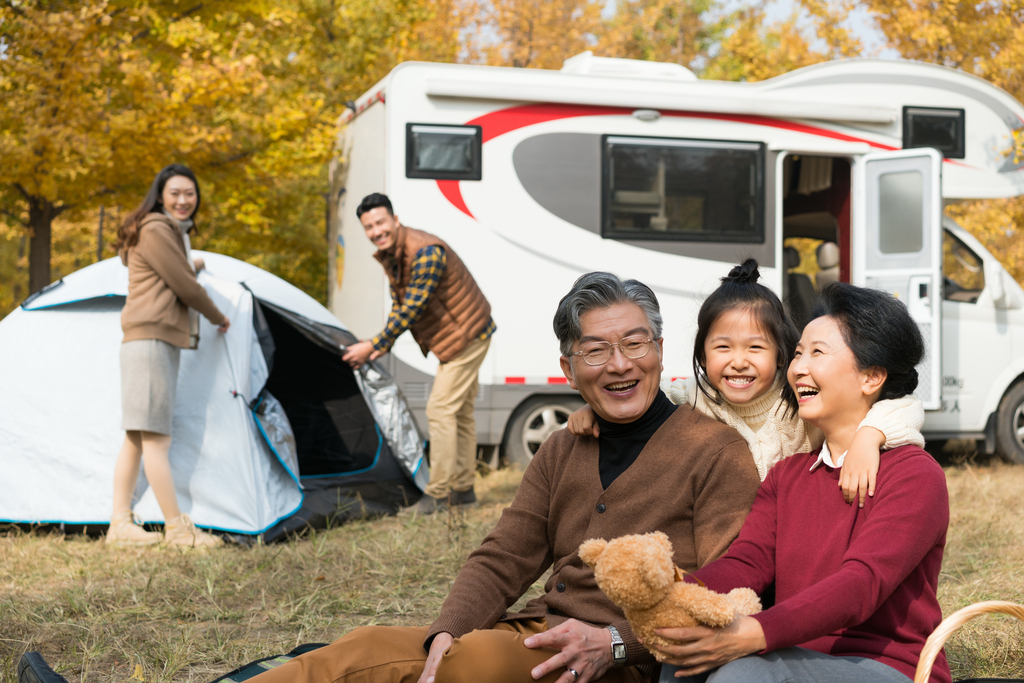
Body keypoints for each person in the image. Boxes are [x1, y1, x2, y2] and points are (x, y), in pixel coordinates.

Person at [244, 272, 761, 683]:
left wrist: (619, 642)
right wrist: (447, 629)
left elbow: (725, 591)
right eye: (596, 350)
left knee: (471, 666)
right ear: (568, 367)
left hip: (617, 662)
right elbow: (505, 554)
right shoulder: (563, 446)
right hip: (537, 631)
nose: (619, 364)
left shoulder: (714, 451)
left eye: (634, 343)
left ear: (660, 349)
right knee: (364, 647)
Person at [653, 282, 951, 683]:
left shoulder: (914, 474)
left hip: (888, 666)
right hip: (796, 654)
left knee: (741, 675)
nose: (798, 368)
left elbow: (860, 584)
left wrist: (757, 632)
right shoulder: (787, 475)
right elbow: (747, 563)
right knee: (685, 659)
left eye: (817, 353)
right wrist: (668, 589)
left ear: (871, 377)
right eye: (797, 354)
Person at [568, 259, 924, 505]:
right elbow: (637, 394)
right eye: (722, 347)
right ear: (703, 356)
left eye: (755, 347)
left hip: (788, 535)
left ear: (781, 354)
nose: (739, 361)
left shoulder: (799, 401)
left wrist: (868, 436)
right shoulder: (693, 398)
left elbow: (906, 407)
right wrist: (594, 411)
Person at [341, 192, 496, 514]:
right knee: (461, 414)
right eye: (368, 227)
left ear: (395, 220)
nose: (375, 231)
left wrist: (375, 343)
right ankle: (464, 491)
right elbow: (400, 305)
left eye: (380, 222)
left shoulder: (424, 252)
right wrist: (382, 344)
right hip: (459, 337)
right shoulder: (393, 255)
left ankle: (438, 495)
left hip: (467, 335)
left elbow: (413, 306)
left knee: (440, 410)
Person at [106, 164, 230, 548]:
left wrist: (194, 261)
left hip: (145, 341)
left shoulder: (156, 230)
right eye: (175, 193)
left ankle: (119, 525)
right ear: (160, 195)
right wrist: (218, 316)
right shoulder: (159, 227)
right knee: (157, 440)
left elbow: (165, 272)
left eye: (189, 194)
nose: (183, 200)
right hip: (151, 342)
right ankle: (177, 530)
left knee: (137, 438)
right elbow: (183, 285)